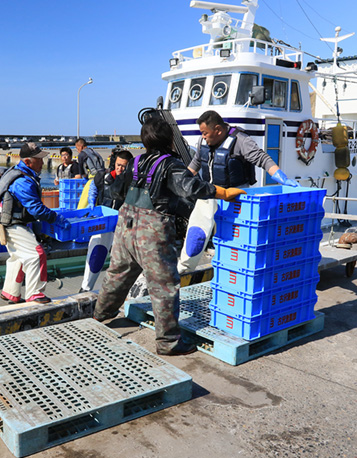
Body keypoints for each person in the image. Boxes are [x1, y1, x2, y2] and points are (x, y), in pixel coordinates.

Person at [93, 118, 245, 356]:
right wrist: (222, 192)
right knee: (163, 285)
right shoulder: (171, 164)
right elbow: (191, 187)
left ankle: (100, 316)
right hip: (151, 230)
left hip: (125, 225)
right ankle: (168, 343)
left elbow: (116, 190)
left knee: (118, 273)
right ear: (169, 139)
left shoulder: (135, 162)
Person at [178, 110, 299, 274]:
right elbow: (195, 163)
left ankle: (236, 269)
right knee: (196, 234)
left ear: (218, 130)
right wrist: (180, 183)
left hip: (236, 195)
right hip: (211, 192)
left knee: (235, 237)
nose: (203, 136)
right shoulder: (203, 142)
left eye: (205, 133)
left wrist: (281, 177)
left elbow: (262, 158)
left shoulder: (241, 141)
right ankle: (183, 271)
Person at [0, 142, 71, 304]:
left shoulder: (18, 173)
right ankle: (35, 293)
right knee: (37, 254)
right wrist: (56, 218)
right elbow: (36, 209)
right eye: (39, 159)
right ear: (28, 162)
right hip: (14, 225)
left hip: (6, 222)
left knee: (18, 257)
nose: (43, 162)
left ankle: (10, 292)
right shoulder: (23, 181)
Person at [79, 149, 133, 293]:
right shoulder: (103, 176)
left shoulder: (132, 181)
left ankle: (118, 291)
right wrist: (91, 201)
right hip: (103, 222)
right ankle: (85, 288)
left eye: (123, 166)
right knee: (96, 254)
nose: (120, 168)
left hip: (121, 225)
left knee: (122, 259)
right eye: (118, 165)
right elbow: (93, 189)